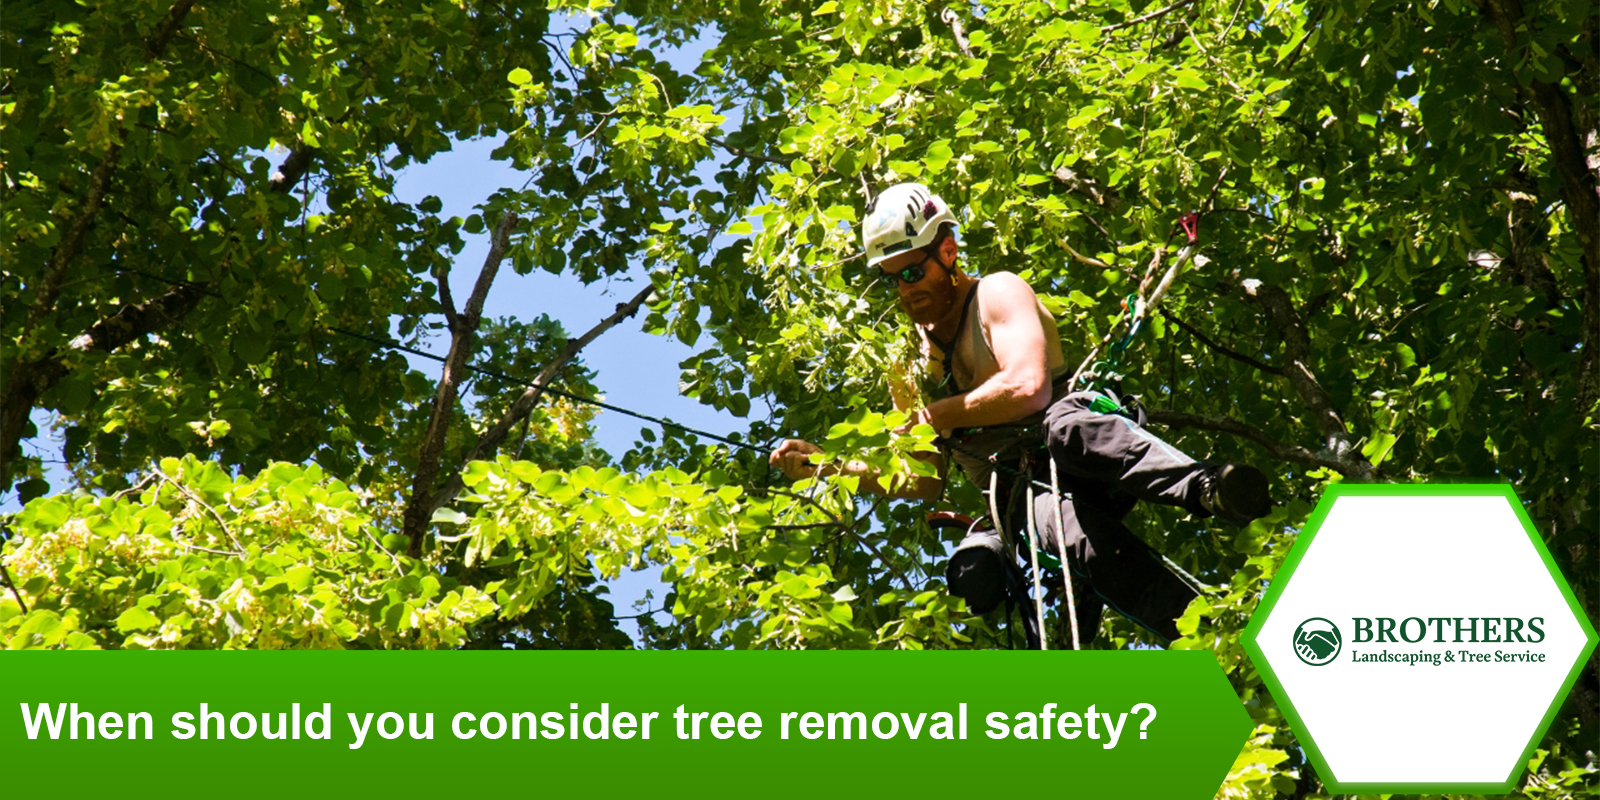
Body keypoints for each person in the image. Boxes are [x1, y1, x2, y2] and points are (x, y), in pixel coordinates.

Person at [768, 182, 1270, 647]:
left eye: (913, 272)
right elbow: (922, 480)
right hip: (1019, 493)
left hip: (1085, 445)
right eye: (891, 280)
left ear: (947, 254)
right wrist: (827, 467)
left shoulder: (996, 292)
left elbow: (1029, 389)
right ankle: (1204, 636)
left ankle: (1207, 487)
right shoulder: (905, 362)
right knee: (1067, 544)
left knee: (1063, 428)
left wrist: (933, 415)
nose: (904, 289)